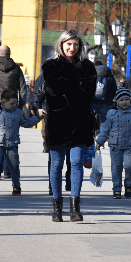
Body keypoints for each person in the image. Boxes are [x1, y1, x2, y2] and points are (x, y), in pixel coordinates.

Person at [40, 30, 97, 222]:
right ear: (61, 44)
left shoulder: (87, 67)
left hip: (80, 122)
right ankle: (57, 206)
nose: (72, 48)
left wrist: (68, 94)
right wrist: (75, 93)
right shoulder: (50, 66)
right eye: (68, 44)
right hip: (57, 121)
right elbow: (53, 91)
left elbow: (89, 91)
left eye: (75, 44)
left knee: (76, 163)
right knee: (56, 165)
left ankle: (75, 207)